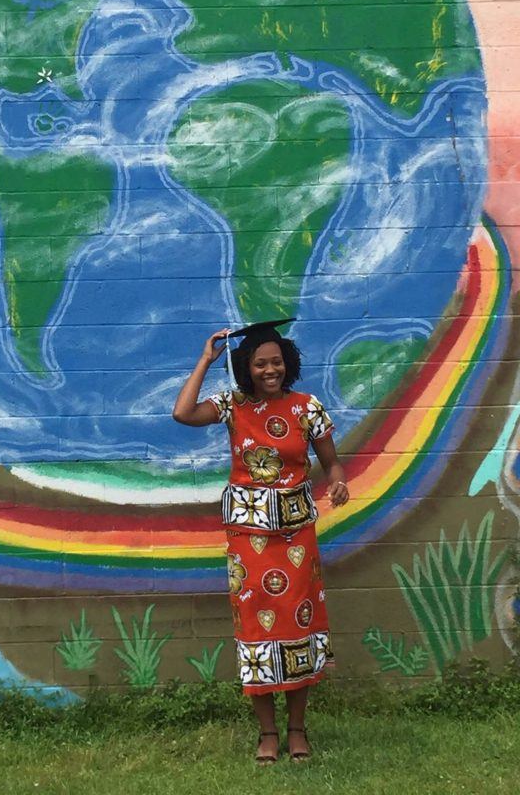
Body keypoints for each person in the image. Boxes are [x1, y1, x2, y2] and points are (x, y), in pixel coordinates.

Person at [172, 318, 349, 765]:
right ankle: (266, 733)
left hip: (296, 536)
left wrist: (338, 482)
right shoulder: (232, 406)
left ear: (286, 364)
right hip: (248, 539)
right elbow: (183, 413)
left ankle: (297, 730)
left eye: (276, 362)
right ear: (245, 368)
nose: (269, 370)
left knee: (298, 627)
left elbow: (331, 463)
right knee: (256, 631)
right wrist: (204, 360)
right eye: (258, 364)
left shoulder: (307, 408)